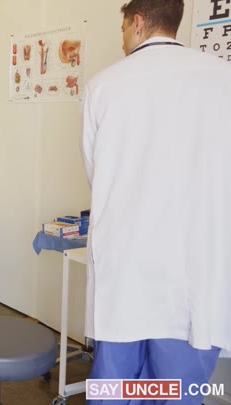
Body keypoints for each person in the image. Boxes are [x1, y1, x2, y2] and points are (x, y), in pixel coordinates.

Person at [81, 0, 231, 402]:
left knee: (115, 382)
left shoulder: (104, 85)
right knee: (180, 388)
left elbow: (96, 173)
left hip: (126, 263)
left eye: (123, 31)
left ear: (138, 23)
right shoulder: (224, 79)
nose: (122, 41)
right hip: (196, 264)